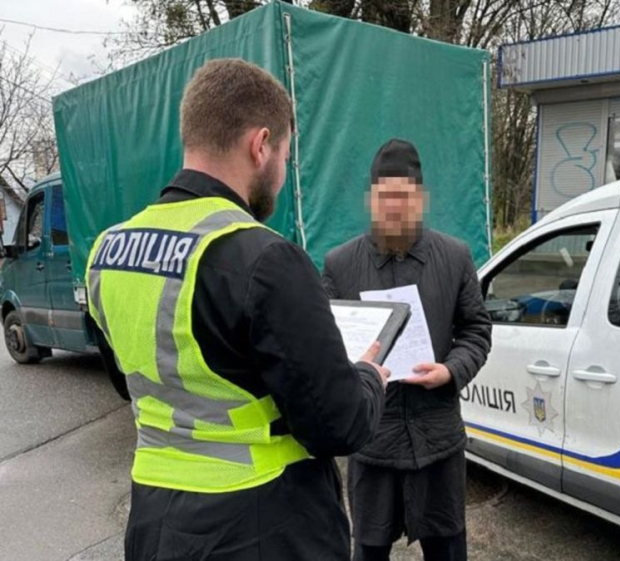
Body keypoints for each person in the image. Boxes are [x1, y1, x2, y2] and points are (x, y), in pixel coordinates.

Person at [86, 58, 390, 561]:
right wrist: (369, 378)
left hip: (154, 522)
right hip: (263, 523)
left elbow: (130, 382)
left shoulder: (108, 252)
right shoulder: (265, 258)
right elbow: (338, 425)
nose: (282, 169)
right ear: (260, 144)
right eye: (285, 156)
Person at [322, 139, 492, 561]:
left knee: (447, 551)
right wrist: (353, 371)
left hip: (437, 442)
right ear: (371, 200)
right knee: (369, 551)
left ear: (420, 199)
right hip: (373, 444)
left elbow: (477, 330)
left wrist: (451, 370)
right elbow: (326, 345)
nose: (394, 207)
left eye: (404, 196)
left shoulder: (454, 257)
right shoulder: (340, 265)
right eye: (385, 197)